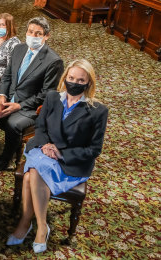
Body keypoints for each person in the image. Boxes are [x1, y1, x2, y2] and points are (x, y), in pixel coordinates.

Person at [7, 59, 108, 254]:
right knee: (37, 168)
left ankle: (30, 223)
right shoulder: (53, 98)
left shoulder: (98, 111)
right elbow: (41, 127)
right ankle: (38, 226)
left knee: (31, 174)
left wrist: (61, 152)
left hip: (70, 161)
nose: (74, 83)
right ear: (65, 78)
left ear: (89, 83)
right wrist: (46, 145)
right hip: (43, 151)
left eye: (80, 80)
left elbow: (94, 149)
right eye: (71, 78)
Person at [0, 17, 64, 172]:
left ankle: (5, 160)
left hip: (29, 107)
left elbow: (47, 94)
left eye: (38, 33)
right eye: (30, 32)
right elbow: (7, 76)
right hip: (7, 97)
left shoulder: (53, 61)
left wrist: (19, 105)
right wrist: (2, 96)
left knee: (13, 124)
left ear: (46, 36)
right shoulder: (19, 49)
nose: (33, 36)